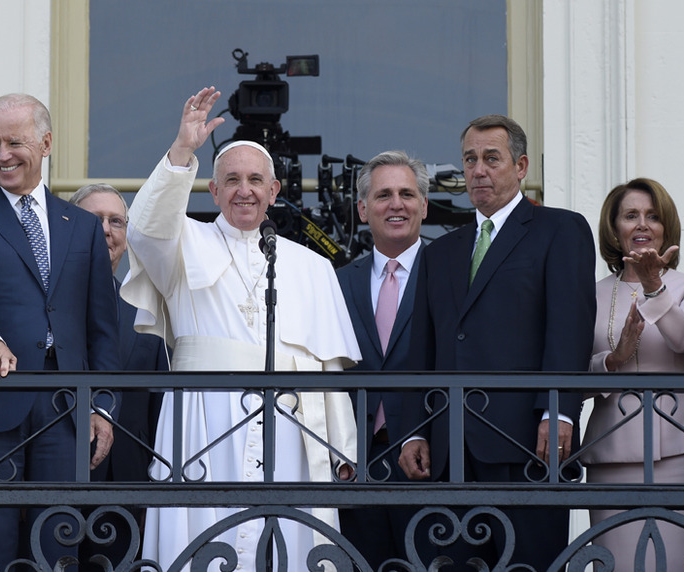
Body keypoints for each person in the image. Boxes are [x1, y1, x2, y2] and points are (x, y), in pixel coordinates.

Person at [121, 86, 361, 572]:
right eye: (231, 180)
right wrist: (183, 150)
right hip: (204, 421)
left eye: (256, 180)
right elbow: (144, 228)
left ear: (274, 192)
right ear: (212, 190)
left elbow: (330, 366)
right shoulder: (184, 243)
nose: (244, 190)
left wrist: (341, 449)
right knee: (203, 539)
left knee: (290, 545)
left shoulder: (313, 267)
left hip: (292, 429)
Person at [397, 114, 596, 570]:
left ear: (521, 166)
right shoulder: (441, 251)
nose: (479, 170)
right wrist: (414, 431)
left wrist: (558, 410)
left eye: (492, 158)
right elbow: (422, 351)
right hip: (450, 451)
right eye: (470, 160)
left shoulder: (559, 230)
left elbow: (568, 327)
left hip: (528, 444)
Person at [0, 93, 120, 568]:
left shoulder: (80, 225)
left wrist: (101, 404)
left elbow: (101, 326)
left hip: (66, 406)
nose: (2, 154)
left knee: (57, 546)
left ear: (47, 143)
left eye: (14, 141)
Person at [579, 177, 684, 569]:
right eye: (630, 215)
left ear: (666, 227)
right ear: (614, 230)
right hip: (611, 456)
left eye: (652, 216)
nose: (642, 225)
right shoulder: (589, 293)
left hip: (679, 454)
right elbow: (571, 369)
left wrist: (654, 285)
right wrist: (611, 361)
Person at [335, 150, 428, 567]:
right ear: (362, 208)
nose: (396, 204)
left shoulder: (449, 273)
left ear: (424, 205)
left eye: (407, 194)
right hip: (358, 466)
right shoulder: (337, 282)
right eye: (384, 194)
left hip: (430, 462)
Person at [71, 183, 168, 569]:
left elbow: (160, 411)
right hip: (53, 484)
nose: (108, 230)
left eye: (116, 221)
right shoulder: (38, 308)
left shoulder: (147, 314)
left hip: (127, 491)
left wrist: (157, 498)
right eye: (95, 221)